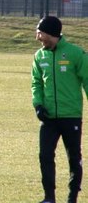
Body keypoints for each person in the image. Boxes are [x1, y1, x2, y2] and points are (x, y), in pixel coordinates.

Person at [31, 16, 88, 203]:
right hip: (48, 118)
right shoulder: (39, 56)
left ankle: (72, 197)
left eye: (40, 32)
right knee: (45, 156)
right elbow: (36, 83)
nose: (37, 36)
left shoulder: (76, 54)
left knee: (74, 157)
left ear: (51, 33)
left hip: (70, 116)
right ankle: (49, 198)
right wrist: (38, 104)